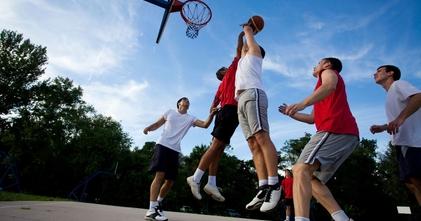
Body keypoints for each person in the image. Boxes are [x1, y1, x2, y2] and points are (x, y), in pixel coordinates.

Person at [279, 57, 359, 221]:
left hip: (335, 129)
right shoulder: (320, 94)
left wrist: (301, 103)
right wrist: (292, 112)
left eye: (318, 63)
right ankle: (342, 218)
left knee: (300, 170)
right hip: (344, 134)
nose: (315, 66)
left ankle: (301, 219)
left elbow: (329, 85)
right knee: (312, 179)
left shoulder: (328, 73)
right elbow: (311, 119)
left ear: (327, 65)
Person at [187, 31, 244, 202]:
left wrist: (213, 114)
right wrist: (241, 35)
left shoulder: (220, 88)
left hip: (224, 113)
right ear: (224, 72)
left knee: (218, 149)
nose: (229, 67)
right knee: (216, 147)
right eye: (226, 68)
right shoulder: (232, 72)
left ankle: (211, 182)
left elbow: (212, 107)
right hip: (229, 111)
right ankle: (195, 178)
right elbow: (239, 51)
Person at [143, 97, 216, 221]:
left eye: (188, 100)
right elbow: (157, 124)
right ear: (179, 104)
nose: (187, 101)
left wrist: (212, 114)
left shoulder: (190, 118)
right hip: (163, 145)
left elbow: (205, 125)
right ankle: (151, 209)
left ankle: (159, 203)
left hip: (175, 150)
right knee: (159, 175)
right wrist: (148, 128)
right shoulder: (170, 112)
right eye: (184, 100)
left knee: (170, 180)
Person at [235, 19, 281, 213]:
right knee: (252, 143)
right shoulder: (242, 59)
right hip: (241, 100)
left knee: (261, 136)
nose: (246, 48)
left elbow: (248, 41)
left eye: (248, 46)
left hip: (254, 94)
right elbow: (241, 46)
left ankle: (274, 184)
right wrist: (242, 34)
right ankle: (263, 187)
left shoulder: (255, 55)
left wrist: (249, 29)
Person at [369, 65, 421, 219]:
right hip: (402, 143)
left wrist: (399, 119)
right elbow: (396, 120)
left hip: (414, 141)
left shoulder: (399, 85)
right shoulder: (390, 94)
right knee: (411, 183)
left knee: (417, 180)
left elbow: (418, 97)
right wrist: (383, 127)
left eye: (379, 71)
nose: (375, 73)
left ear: (390, 73)